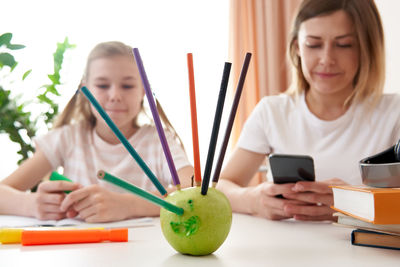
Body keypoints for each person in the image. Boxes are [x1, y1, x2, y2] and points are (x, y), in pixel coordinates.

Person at [217, 0, 400, 222]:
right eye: (313, 44)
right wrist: (254, 199)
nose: (326, 60)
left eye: (344, 45)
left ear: (366, 48)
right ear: (297, 48)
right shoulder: (272, 111)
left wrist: (352, 202)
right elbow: (222, 186)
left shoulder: (394, 113)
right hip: (289, 251)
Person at [0, 41, 194, 222]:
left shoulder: (158, 141)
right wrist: (31, 205)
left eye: (127, 86)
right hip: (79, 253)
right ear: (85, 90)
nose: (115, 96)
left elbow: (194, 189)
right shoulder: (68, 138)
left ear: (143, 91)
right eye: (102, 85)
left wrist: (129, 205)